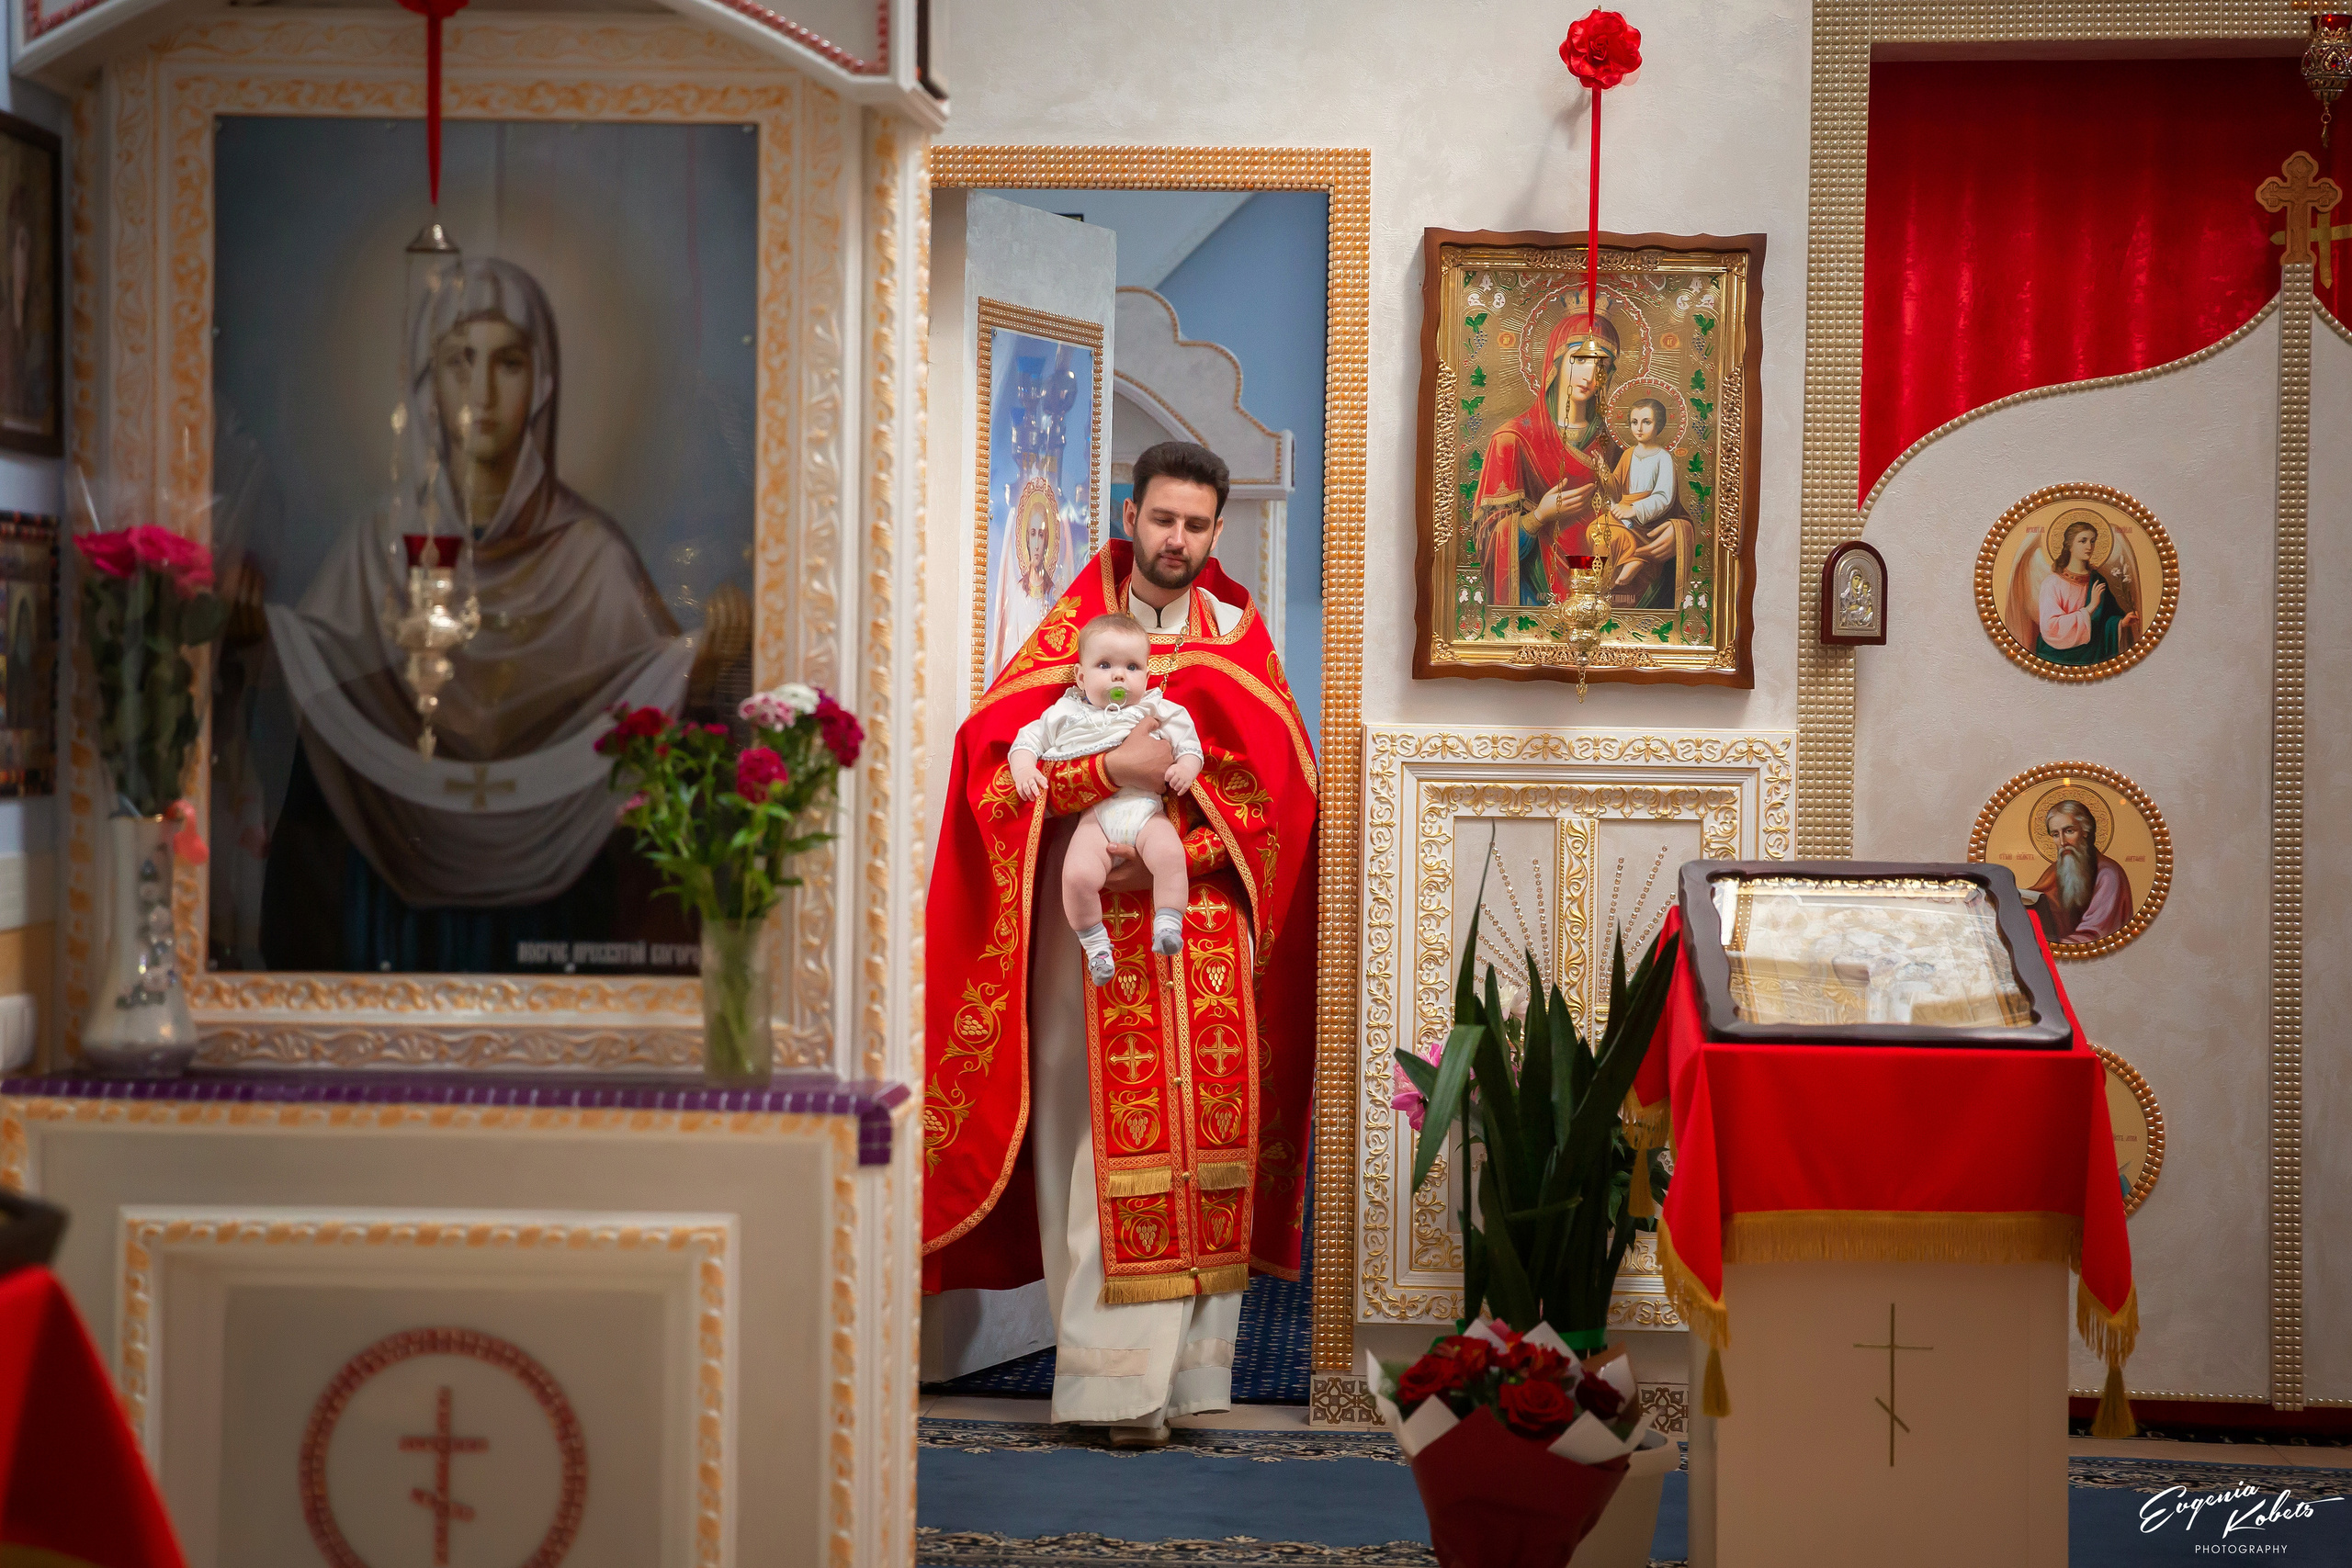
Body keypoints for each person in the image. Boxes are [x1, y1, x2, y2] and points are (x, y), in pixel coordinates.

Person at [924, 440, 1318, 1447]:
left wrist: (1177, 844)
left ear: (1216, 531)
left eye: (1194, 525)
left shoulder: (1239, 638)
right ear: (1128, 515)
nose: (1175, 540)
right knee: (1090, 1149)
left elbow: (1282, 804)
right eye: (1159, 520)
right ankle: (1109, 1389)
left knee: (1203, 1145)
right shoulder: (1071, 634)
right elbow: (992, 768)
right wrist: (1106, 782)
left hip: (1200, 939)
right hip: (1086, 938)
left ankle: (1185, 1381)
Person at [258, 258, 741, 970]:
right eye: (461, 361)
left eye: (507, 363)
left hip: (558, 903)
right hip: (393, 893)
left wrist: (708, 666)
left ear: (542, 383)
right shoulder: (374, 549)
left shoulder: (592, 558)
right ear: (430, 385)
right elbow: (308, 708)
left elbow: (656, 713)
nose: (481, 393)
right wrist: (238, 625)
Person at [1009, 612, 1204, 983]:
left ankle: (1168, 923)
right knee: (1078, 875)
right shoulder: (1065, 713)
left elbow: (1190, 745)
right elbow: (1027, 741)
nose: (1119, 675)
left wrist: (1187, 768)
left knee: (1169, 854)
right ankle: (1096, 945)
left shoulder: (1155, 707)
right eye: (1104, 665)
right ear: (1081, 677)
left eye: (1132, 667)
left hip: (1145, 810)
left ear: (1146, 677)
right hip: (1095, 819)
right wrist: (1023, 769)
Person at [1471, 311, 1624, 607]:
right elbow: (1488, 540)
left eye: (1601, 364)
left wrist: (1673, 533)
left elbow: (1643, 516)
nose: (1590, 376)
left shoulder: (1615, 448)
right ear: (1554, 364)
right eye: (1579, 359)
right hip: (1538, 590)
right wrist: (1538, 516)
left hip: (1604, 585)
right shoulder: (1512, 440)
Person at [1598, 397, 1694, 612]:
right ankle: (1607, 580)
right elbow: (1615, 487)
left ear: (1658, 425)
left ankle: (1636, 559)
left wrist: (1634, 509)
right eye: (1634, 422)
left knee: (1620, 537)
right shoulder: (1628, 454)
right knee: (1594, 531)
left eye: (1646, 422)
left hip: (1647, 521)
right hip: (1623, 514)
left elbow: (1663, 497)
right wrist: (1604, 474)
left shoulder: (1663, 458)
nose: (1639, 428)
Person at [2016, 515, 2137, 667]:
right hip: (2056, 657)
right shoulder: (2052, 583)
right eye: (2083, 541)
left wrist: (2121, 623)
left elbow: (2107, 620)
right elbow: (2051, 627)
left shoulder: (2098, 580)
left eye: (2093, 541)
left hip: (2093, 657)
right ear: (2069, 545)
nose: (2090, 546)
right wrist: (2091, 607)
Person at [2030, 799, 2132, 945]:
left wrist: (2048, 947)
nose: (2063, 842)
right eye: (2055, 834)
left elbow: (2096, 933)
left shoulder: (2108, 874)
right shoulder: (2055, 870)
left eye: (2069, 831)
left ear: (2085, 831)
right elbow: (2037, 901)